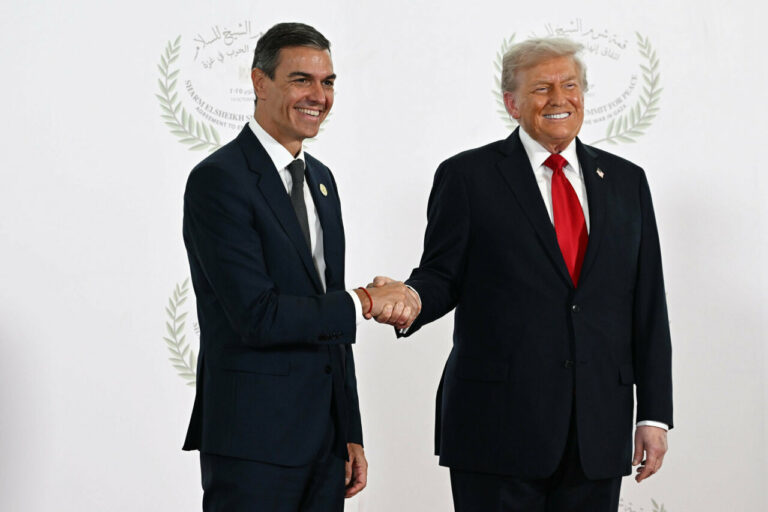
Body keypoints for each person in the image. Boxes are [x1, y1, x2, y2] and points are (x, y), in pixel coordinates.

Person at [372, 38, 673, 511]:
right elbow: (442, 275)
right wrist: (410, 297)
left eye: (570, 85)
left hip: (597, 430)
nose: (559, 99)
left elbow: (648, 304)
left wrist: (653, 415)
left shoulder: (626, 181)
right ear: (512, 103)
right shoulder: (468, 176)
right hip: (497, 430)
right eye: (541, 88)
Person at [181, 22, 413, 511]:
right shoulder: (218, 181)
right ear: (260, 82)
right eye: (301, 79)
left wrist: (349, 430)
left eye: (327, 82)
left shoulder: (322, 181)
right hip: (252, 443)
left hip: (325, 445)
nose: (319, 96)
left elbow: (331, 324)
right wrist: (365, 301)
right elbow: (258, 315)